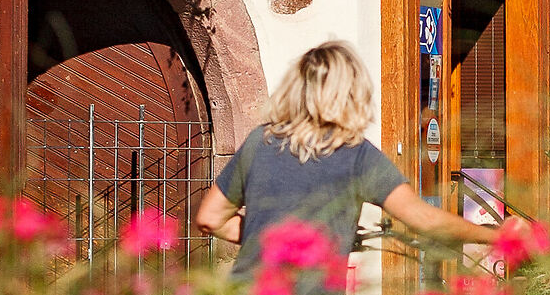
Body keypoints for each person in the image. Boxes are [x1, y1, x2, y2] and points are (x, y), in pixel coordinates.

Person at [194, 40, 497, 281]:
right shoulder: (355, 153)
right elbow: (425, 219)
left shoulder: (259, 142)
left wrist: (270, 240)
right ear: (352, 93)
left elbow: (210, 219)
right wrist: (492, 235)